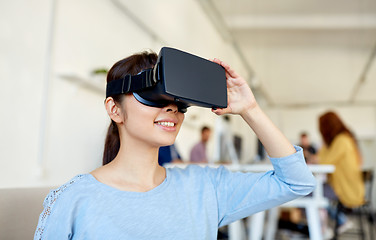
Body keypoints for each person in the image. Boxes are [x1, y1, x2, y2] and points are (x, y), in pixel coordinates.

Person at [34, 50, 316, 239]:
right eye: (154, 98)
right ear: (115, 110)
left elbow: (297, 182)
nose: (172, 111)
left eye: (179, 104)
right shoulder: (73, 199)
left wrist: (250, 109)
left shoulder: (205, 187)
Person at [318, 111, 365, 233]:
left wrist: (323, 144)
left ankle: (335, 222)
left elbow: (324, 161)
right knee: (313, 191)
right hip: (346, 187)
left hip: (345, 189)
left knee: (309, 192)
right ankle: (321, 228)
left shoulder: (341, 140)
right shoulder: (343, 139)